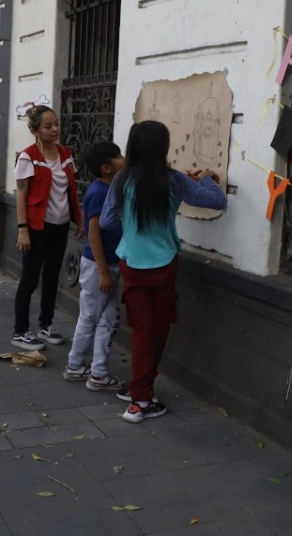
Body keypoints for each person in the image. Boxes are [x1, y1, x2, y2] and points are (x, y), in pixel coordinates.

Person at [101, 120, 227, 423]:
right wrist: (207, 178)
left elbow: (106, 222)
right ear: (163, 148)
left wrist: (132, 230)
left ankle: (141, 388)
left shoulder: (121, 180)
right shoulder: (175, 181)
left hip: (132, 264)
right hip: (163, 264)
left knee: (146, 330)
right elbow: (217, 201)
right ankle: (139, 401)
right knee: (155, 330)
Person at [12, 104, 83, 350]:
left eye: (56, 124)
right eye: (48, 126)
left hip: (60, 226)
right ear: (35, 130)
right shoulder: (28, 157)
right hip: (36, 227)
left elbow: (70, 192)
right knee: (29, 279)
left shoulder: (65, 154)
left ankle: (45, 326)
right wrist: (23, 229)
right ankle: (20, 331)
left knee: (52, 277)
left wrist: (78, 220)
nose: (55, 129)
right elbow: (21, 195)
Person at [63, 141, 125, 391]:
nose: (124, 158)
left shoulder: (112, 188)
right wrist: (103, 272)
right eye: (118, 156)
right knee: (90, 317)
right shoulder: (99, 193)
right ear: (106, 167)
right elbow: (94, 235)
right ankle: (76, 364)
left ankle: (96, 371)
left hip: (109, 263)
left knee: (106, 318)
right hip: (99, 265)